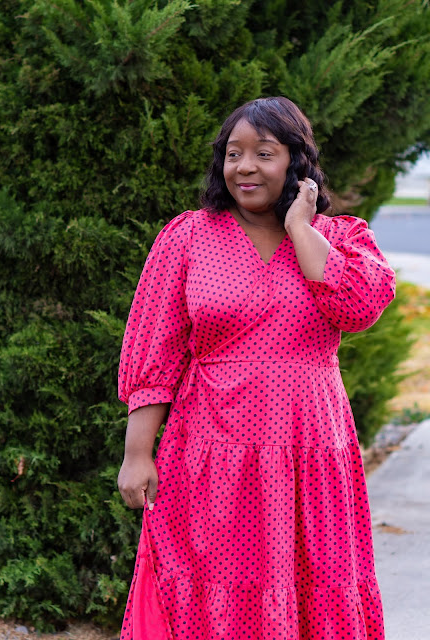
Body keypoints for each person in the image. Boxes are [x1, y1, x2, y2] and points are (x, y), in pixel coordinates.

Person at [117, 96, 395, 640]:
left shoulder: (342, 238)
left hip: (309, 455)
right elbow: (156, 353)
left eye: (264, 153)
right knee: (214, 587)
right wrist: (136, 454)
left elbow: (359, 307)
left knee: (314, 584)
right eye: (233, 153)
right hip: (212, 457)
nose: (244, 167)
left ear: (297, 162)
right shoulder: (188, 237)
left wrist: (300, 227)